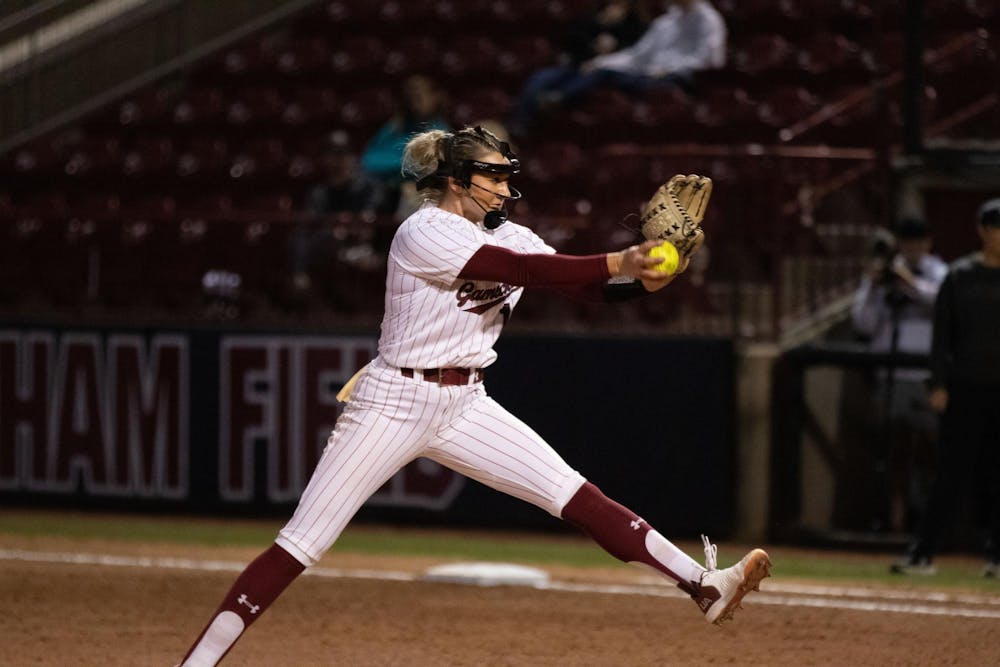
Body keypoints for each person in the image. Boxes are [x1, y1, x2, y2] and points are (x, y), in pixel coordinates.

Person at [178, 126, 770, 665]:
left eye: (507, 173)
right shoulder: (424, 229)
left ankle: (703, 586)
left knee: (575, 495)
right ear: (456, 179)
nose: (504, 184)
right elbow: (526, 272)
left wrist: (647, 278)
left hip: (465, 403)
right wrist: (623, 257)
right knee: (300, 545)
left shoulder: (513, 232)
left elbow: (592, 289)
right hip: (393, 400)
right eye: (493, 173)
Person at [892, 198, 1000, 577]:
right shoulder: (960, 276)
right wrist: (938, 382)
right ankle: (923, 553)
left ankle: (996, 558)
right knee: (950, 473)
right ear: (982, 230)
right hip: (965, 386)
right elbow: (942, 336)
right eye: (995, 227)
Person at [850, 217, 948, 532]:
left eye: (919, 242)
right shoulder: (887, 273)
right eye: (907, 242)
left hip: (926, 378)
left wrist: (909, 281)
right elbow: (863, 323)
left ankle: (931, 522)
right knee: (893, 452)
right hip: (890, 377)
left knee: (930, 451)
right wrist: (874, 284)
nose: (913, 248)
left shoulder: (938, 271)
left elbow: (943, 303)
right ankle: (893, 520)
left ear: (928, 243)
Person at [511, 0, 726, 128]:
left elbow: (711, 59)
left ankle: (560, 98)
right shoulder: (666, 21)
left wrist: (672, 69)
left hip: (680, 79)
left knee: (605, 74)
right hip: (648, 75)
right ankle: (538, 110)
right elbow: (638, 55)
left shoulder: (708, 19)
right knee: (602, 71)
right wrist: (600, 61)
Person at [508, 0, 650, 132]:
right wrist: (597, 34)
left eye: (622, 7)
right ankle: (519, 121)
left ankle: (557, 97)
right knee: (540, 77)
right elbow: (571, 41)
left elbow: (635, 54)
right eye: (614, 5)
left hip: (605, 71)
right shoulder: (590, 20)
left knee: (592, 77)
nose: (616, 10)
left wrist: (614, 47)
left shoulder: (635, 27)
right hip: (576, 65)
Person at [288, 129, 385, 298]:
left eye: (343, 154)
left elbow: (373, 218)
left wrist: (355, 223)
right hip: (330, 245)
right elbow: (308, 227)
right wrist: (334, 226)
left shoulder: (369, 187)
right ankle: (301, 283)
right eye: (332, 155)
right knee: (300, 240)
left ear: (353, 157)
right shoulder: (319, 192)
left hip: (363, 243)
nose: (338, 161)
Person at [360, 74, 450, 213]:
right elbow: (369, 161)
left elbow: (431, 166)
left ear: (435, 96)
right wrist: (407, 164)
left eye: (419, 95)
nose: (414, 102)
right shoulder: (394, 127)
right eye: (410, 96)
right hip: (385, 188)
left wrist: (399, 164)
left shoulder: (440, 129)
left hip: (417, 191)